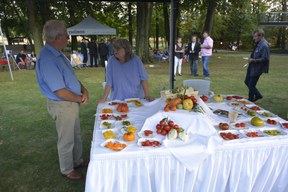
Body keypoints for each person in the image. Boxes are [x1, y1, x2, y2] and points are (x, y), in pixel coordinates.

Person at [35, 20, 89, 180]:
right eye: (66, 35)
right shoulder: (48, 59)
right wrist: (79, 98)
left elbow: (70, 78)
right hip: (62, 104)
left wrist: (83, 89)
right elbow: (59, 90)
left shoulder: (58, 54)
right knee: (66, 138)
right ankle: (66, 169)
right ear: (58, 37)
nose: (68, 37)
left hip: (70, 102)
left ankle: (77, 160)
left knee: (75, 134)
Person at [97, 38, 153, 103]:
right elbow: (109, 82)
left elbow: (144, 79)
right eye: (115, 48)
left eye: (118, 49)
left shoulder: (136, 60)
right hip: (117, 100)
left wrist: (147, 95)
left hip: (136, 99)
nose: (115, 51)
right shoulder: (111, 61)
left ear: (126, 50)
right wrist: (103, 98)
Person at [245, 29, 270, 102]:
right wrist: (251, 59)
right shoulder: (259, 43)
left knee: (251, 84)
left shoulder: (264, 45)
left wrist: (254, 60)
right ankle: (252, 98)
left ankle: (255, 97)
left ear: (261, 36)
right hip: (252, 66)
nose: (254, 38)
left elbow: (265, 59)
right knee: (247, 81)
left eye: (255, 36)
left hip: (257, 68)